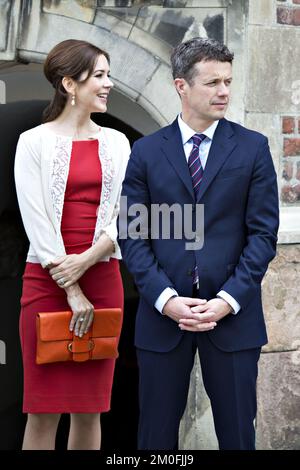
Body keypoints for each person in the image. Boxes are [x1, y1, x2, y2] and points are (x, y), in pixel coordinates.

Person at [118, 37, 279, 450]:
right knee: (154, 439)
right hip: (161, 320)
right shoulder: (146, 152)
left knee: (239, 436)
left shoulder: (253, 148)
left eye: (228, 81)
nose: (224, 91)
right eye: (212, 83)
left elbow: (262, 236)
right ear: (181, 86)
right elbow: (134, 237)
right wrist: (165, 298)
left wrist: (228, 299)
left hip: (233, 319)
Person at [14, 39, 130, 450]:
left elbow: (127, 213)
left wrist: (89, 259)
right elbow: (36, 220)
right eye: (99, 75)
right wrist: (72, 284)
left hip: (103, 278)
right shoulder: (33, 141)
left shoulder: (118, 143)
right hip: (48, 281)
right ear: (69, 83)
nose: (108, 84)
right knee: (42, 411)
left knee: (90, 409)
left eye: (107, 74)